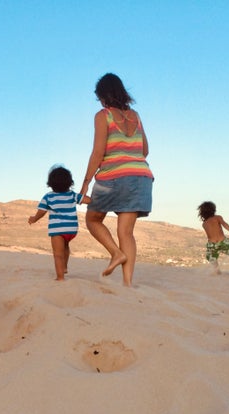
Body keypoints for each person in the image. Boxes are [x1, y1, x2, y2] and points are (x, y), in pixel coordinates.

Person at [79, 73, 154, 286]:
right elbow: (145, 150)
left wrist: (85, 184)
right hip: (141, 177)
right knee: (126, 232)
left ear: (103, 96)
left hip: (113, 177)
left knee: (93, 220)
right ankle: (128, 283)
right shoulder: (136, 116)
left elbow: (98, 152)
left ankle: (115, 253)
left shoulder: (103, 116)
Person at [28, 165, 91, 280]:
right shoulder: (72, 195)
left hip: (57, 230)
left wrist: (34, 218)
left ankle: (60, 277)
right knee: (65, 246)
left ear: (50, 183)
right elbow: (88, 201)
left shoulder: (48, 196)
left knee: (57, 254)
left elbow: (41, 212)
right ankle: (65, 267)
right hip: (72, 230)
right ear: (70, 182)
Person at [197, 201, 229, 273]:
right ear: (213, 210)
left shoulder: (204, 223)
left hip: (212, 244)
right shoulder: (217, 217)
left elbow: (209, 234)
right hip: (222, 241)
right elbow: (224, 224)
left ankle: (217, 271)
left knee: (212, 258)